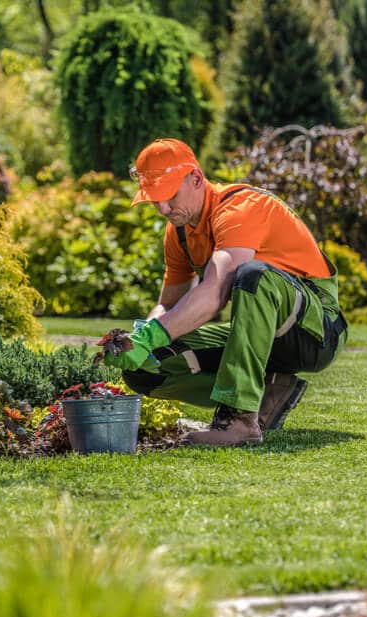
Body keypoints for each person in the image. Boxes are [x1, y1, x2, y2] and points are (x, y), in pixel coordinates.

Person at [101, 138, 348, 446]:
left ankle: (241, 419)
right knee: (146, 371)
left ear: (196, 178)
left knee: (252, 275)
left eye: (169, 196)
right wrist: (139, 341)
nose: (163, 208)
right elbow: (167, 306)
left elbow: (215, 291)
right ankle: (271, 391)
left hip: (316, 332)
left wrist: (151, 336)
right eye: (154, 200)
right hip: (260, 334)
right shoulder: (178, 232)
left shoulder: (239, 209)